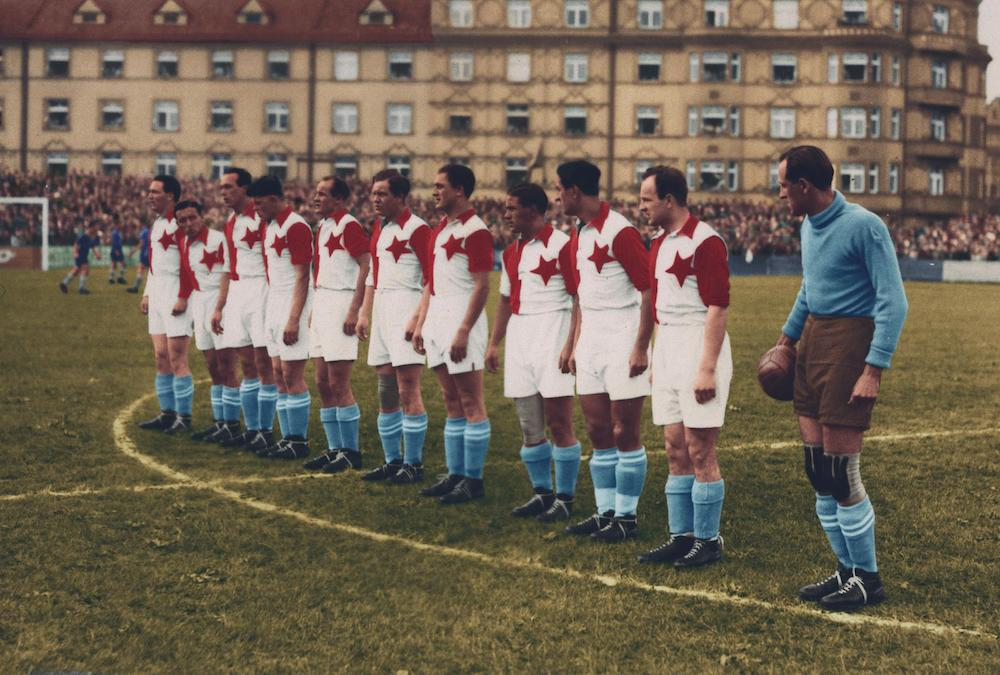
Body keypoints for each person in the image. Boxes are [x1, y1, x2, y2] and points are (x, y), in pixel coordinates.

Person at [775, 145, 908, 612]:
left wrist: (874, 369)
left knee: (841, 470)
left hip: (850, 344)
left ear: (804, 186)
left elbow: (894, 300)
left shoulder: (864, 226)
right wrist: (787, 342)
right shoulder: (811, 225)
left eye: (783, 185)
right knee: (817, 470)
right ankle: (845, 570)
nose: (781, 194)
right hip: (814, 341)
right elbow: (809, 290)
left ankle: (867, 579)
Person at [636, 166, 732, 568]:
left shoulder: (705, 241)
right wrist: (652, 355)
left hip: (699, 345)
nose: (641, 207)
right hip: (669, 347)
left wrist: (706, 368)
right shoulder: (658, 244)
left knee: (699, 449)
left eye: (646, 199)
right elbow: (657, 308)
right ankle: (682, 536)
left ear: (669, 200)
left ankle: (708, 541)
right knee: (674, 447)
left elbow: (717, 307)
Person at [557, 159, 653, 543]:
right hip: (592, 340)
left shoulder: (620, 231)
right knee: (598, 430)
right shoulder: (579, 233)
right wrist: (573, 343)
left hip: (623, 337)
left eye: (560, 189)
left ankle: (626, 518)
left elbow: (648, 291)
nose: (558, 196)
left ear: (575, 191)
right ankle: (605, 512)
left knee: (623, 430)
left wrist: (641, 346)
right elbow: (580, 295)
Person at [486, 183, 582, 522]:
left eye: (512, 208)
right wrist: (494, 343)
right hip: (521, 337)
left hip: (553, 333)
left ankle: (565, 496)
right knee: (529, 424)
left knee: (559, 421)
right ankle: (542, 492)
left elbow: (577, 298)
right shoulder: (512, 251)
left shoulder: (563, 246)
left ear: (533, 210)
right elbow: (503, 301)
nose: (506, 215)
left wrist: (571, 343)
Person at [412, 164, 493, 504]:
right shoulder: (440, 229)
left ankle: (473, 480)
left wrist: (463, 329)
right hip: (438, 319)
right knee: (450, 400)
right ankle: (456, 473)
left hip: (463, 319)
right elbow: (430, 282)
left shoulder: (476, 230)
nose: (435, 191)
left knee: (471, 400)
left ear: (460, 190)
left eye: (440, 186)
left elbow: (482, 285)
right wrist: (420, 323)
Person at [354, 169, 431, 485]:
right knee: (385, 389)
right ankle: (392, 460)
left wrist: (418, 318)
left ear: (401, 197)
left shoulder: (418, 229)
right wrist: (364, 313)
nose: (375, 199)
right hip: (384, 309)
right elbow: (374, 273)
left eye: (382, 194)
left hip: (406, 306)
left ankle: (413, 464)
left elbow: (431, 279)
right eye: (373, 193)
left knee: (407, 387)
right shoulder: (380, 228)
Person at [299, 176, 371, 473]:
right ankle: (333, 448)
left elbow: (367, 264)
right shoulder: (324, 226)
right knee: (322, 381)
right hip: (324, 303)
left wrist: (355, 310)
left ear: (339, 199)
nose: (316, 198)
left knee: (339, 382)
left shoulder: (349, 225)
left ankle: (350, 451)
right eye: (315, 192)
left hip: (342, 303)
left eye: (322, 194)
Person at [247, 175, 314, 460]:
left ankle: (298, 441)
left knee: (292, 373)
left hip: (292, 304)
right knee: (277, 374)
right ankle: (287, 437)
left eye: (260, 204)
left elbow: (303, 276)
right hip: (274, 303)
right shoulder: (270, 226)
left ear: (275, 199)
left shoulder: (295, 226)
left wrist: (294, 319)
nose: (257, 209)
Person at [214, 168, 278, 453]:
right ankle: (253, 429)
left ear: (244, 189)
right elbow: (228, 267)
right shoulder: (231, 221)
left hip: (263, 290)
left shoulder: (262, 216)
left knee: (264, 363)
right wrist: (220, 306)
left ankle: (267, 430)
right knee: (246, 363)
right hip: (239, 294)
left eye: (229, 187)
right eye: (221, 188)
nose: (224, 192)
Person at [175, 200, 240, 442]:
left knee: (226, 364)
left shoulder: (218, 239)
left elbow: (227, 274)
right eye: (183, 220)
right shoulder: (183, 242)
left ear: (201, 216)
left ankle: (232, 424)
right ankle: (219, 421)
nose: (188, 224)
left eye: (192, 218)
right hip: (200, 303)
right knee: (212, 365)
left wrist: (220, 307)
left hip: (219, 300)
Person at [136, 175, 196, 434]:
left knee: (177, 357)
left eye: (155, 192)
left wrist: (183, 296)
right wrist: (148, 293)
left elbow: (190, 264)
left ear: (170, 195)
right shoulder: (157, 224)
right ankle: (166, 413)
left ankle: (184, 417)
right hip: (159, 293)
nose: (149, 196)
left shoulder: (181, 223)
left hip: (176, 293)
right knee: (161, 356)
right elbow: (153, 265)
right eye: (148, 191)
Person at [60, 222, 102, 295]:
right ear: (91, 227)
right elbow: (76, 245)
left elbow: (93, 246)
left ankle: (64, 283)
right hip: (80, 255)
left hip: (83, 255)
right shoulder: (84, 235)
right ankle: (81, 288)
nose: (97, 229)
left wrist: (97, 254)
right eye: (96, 227)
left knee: (77, 271)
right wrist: (75, 253)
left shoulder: (90, 236)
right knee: (84, 269)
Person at [126, 222, 150, 294]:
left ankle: (135, 287)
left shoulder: (144, 232)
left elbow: (141, 244)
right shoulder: (150, 231)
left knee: (141, 269)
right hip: (151, 253)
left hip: (145, 253)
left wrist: (132, 252)